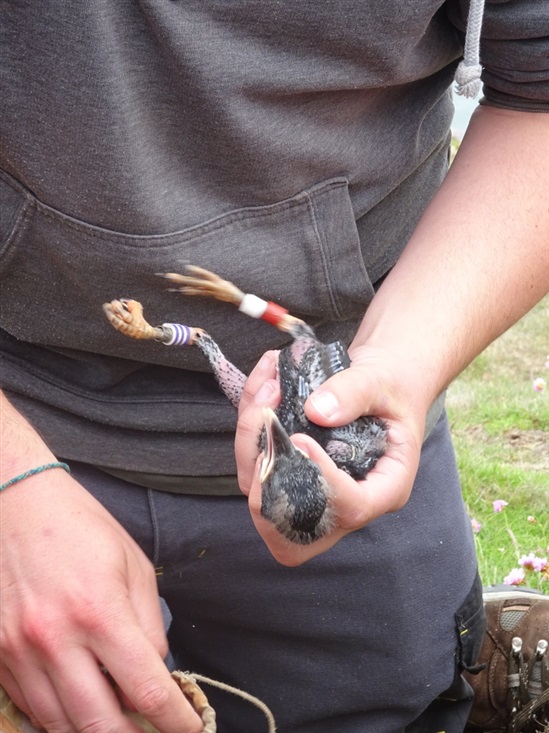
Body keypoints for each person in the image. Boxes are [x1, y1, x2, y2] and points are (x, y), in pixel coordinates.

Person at [0, 2, 548, 732]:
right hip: (18, 397)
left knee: (403, 693)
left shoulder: (319, 419)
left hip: (372, 360)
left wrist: (393, 365)